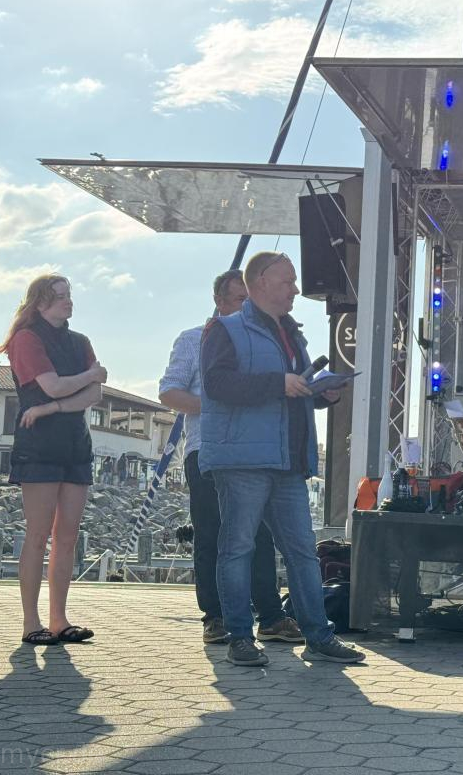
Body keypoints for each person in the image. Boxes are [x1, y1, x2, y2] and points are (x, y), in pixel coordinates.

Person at [199, 251, 364, 666]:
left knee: (303, 552)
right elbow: (216, 385)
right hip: (243, 462)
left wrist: (321, 394)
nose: (295, 289)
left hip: (287, 462)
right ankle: (239, 638)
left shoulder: (292, 333)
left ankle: (319, 637)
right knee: (238, 549)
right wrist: (280, 383)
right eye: (287, 281)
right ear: (260, 283)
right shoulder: (224, 329)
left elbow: (293, 390)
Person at [160, 269, 303, 647]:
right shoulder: (194, 339)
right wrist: (220, 404)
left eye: (250, 300)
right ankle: (215, 617)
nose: (246, 307)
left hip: (259, 452)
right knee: (211, 534)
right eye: (240, 300)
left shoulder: (270, 341)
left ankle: (270, 616)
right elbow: (169, 393)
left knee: (261, 535)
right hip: (208, 449)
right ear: (219, 302)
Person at [0, 274, 108, 646]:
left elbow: (93, 395)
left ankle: (59, 619)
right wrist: (88, 376)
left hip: (75, 445)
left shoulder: (81, 341)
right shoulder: (26, 338)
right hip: (39, 447)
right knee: (38, 533)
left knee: (68, 536)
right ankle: (31, 622)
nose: (68, 301)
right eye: (59, 296)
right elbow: (54, 384)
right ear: (40, 301)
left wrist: (53, 407)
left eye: (69, 294)